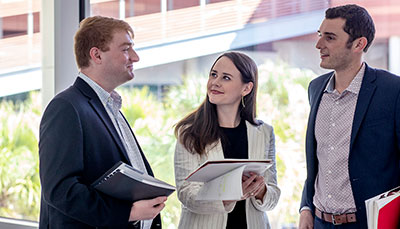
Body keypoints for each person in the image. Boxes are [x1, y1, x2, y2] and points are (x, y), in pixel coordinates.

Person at [38, 16, 167, 229]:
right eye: (126, 49)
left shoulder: (110, 107)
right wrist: (129, 213)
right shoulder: (66, 107)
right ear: (96, 54)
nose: (135, 57)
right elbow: (61, 190)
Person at [299, 4, 400, 228]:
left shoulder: (393, 90)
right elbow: (318, 161)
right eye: (319, 35)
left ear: (359, 44)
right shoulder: (315, 89)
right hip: (319, 222)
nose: (318, 44)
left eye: (330, 37)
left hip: (368, 223)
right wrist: (306, 207)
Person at [174, 51, 280, 229]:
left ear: (246, 88)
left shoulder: (264, 133)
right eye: (213, 74)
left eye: (226, 78)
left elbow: (273, 197)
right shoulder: (190, 132)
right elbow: (186, 194)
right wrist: (229, 195)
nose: (215, 82)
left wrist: (260, 190)